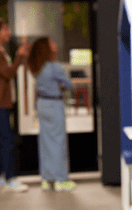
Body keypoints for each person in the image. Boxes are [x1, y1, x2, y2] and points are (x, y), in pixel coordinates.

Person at [27, 37, 76, 191]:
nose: (55, 44)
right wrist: (61, 87)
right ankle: (61, 180)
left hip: (41, 104)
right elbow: (69, 85)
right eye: (52, 43)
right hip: (54, 104)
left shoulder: (37, 67)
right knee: (59, 142)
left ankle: (46, 179)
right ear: (47, 49)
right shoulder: (55, 67)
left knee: (45, 142)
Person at [0, 18, 29, 192]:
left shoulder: (2, 51)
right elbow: (8, 72)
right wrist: (20, 56)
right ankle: (11, 178)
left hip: (4, 103)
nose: (9, 32)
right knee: (7, 140)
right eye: (5, 29)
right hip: (1, 104)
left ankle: (3, 176)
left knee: (3, 139)